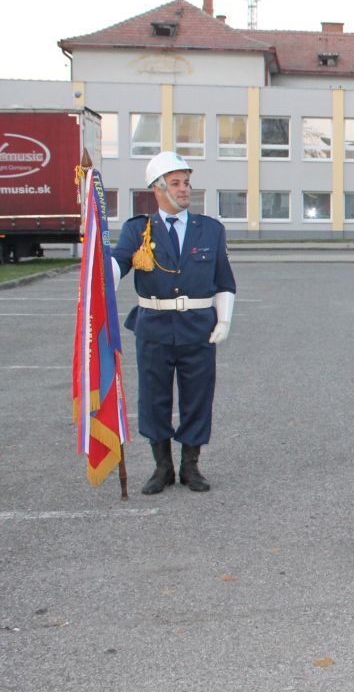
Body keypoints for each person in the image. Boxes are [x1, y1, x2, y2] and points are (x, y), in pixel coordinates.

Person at [110, 151, 236, 494]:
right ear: (158, 188)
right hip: (154, 327)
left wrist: (224, 319)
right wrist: (102, 270)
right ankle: (162, 466)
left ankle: (190, 465)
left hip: (198, 327)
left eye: (187, 183)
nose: (184, 189)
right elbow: (119, 264)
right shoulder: (138, 229)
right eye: (176, 183)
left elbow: (224, 281)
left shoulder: (210, 230)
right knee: (154, 398)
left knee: (197, 397)